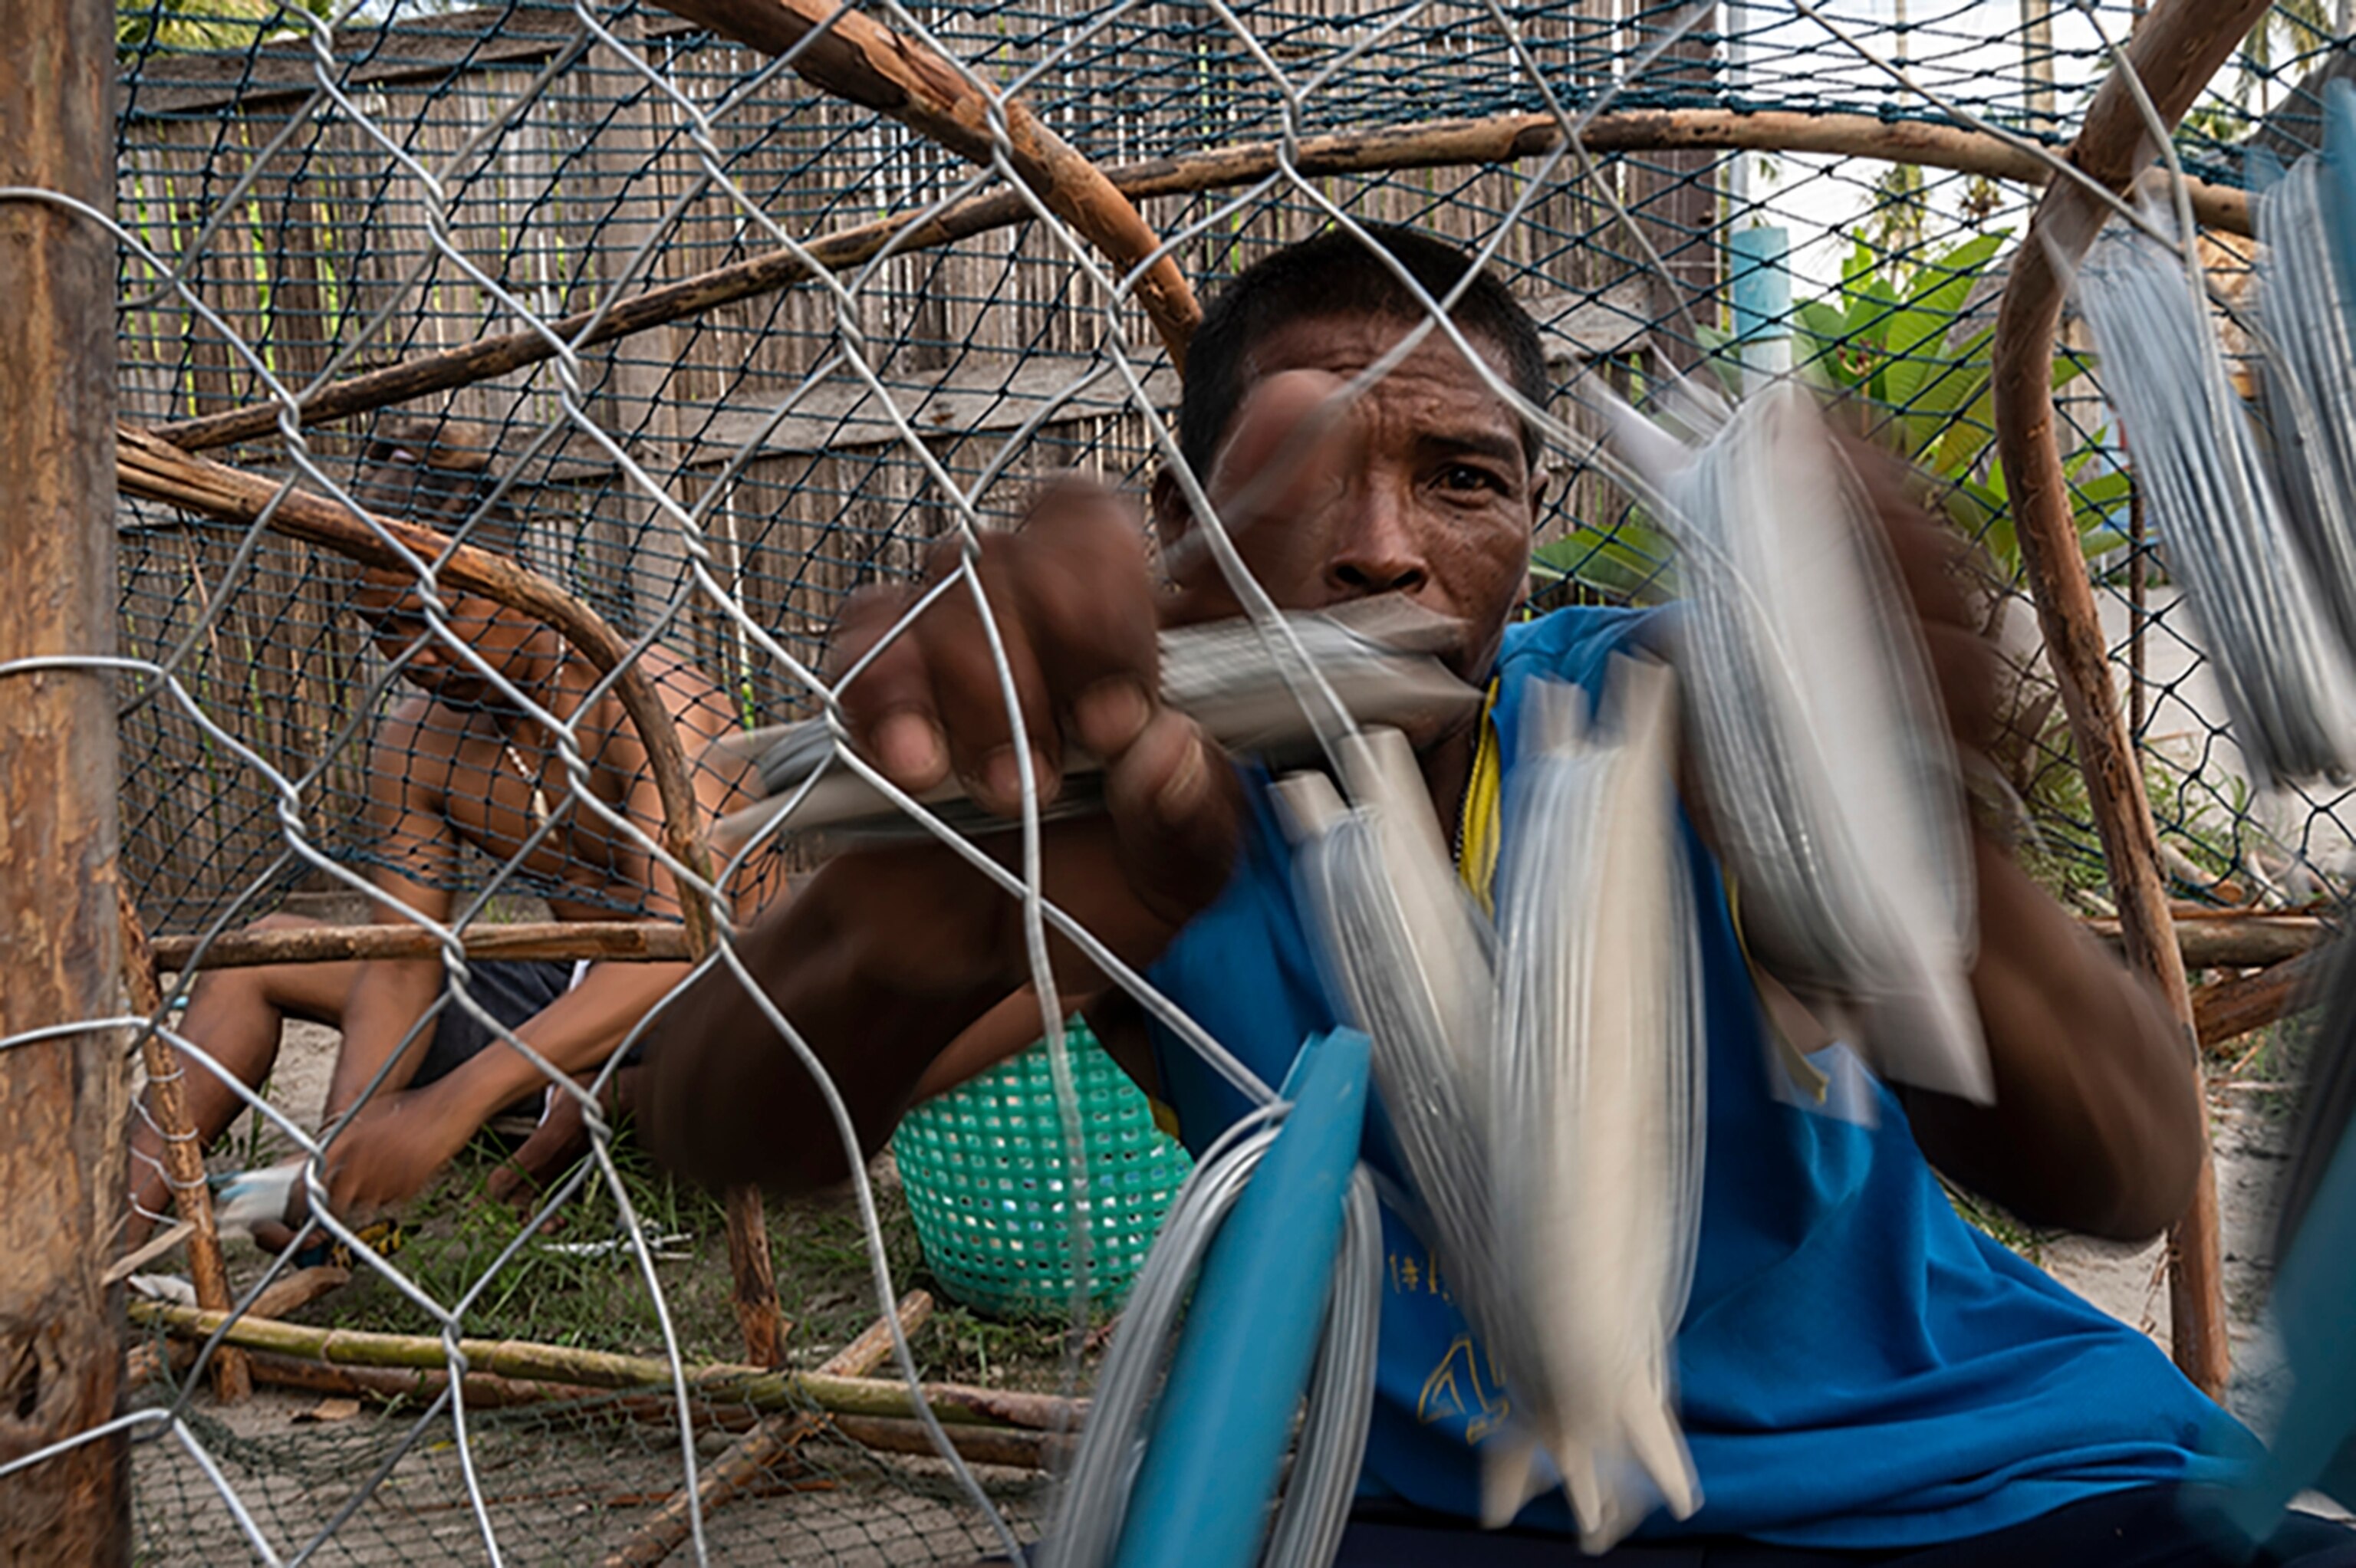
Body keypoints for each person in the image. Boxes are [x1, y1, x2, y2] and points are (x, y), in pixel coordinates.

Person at [635, 228, 2354, 1563]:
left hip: (1959, 1475)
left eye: (1460, 476)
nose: (1382, 547)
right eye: (1309, 480)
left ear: (1534, 520)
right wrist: (891, 935)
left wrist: (1908, 851)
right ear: (1186, 524)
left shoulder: (1681, 720)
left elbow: (2126, 1173)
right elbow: (717, 1113)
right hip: (1474, 1511)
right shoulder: (1145, 831)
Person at [127, 422, 760, 1249]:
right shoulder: (421, 740)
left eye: (432, 613)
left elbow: (687, 944)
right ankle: (105, 1235)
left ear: (508, 576)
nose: (412, 655)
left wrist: (448, 1105)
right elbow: (402, 960)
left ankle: (583, 1107)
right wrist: (344, 1149)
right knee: (268, 949)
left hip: (740, 1019)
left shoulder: (650, 699)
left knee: (650, 1075)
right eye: (384, 629)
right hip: (572, 997)